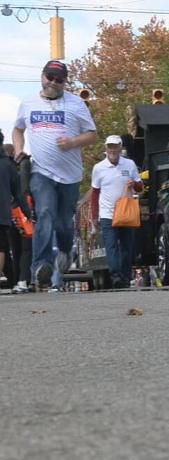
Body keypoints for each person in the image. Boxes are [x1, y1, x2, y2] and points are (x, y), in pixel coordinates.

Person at [12, 60, 97, 289]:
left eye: (59, 80)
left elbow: (92, 135)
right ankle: (41, 267)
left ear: (64, 82)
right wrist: (19, 150)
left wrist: (72, 142)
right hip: (41, 172)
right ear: (42, 76)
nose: (53, 82)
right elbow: (18, 128)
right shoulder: (28, 103)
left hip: (70, 175)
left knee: (63, 225)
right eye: (50, 77)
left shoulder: (76, 104)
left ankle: (66, 251)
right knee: (45, 213)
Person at [90, 135, 144, 288]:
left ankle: (125, 277)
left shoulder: (130, 164)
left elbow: (140, 187)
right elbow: (95, 193)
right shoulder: (99, 168)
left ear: (121, 148)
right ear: (106, 149)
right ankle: (115, 276)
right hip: (108, 215)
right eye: (110, 147)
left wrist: (134, 183)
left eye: (115, 147)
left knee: (127, 248)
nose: (112, 150)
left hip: (127, 213)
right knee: (111, 247)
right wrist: (95, 216)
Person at [0, 131, 31, 284]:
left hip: (7, 213)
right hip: (8, 214)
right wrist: (29, 213)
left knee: (8, 247)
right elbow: (20, 193)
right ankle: (15, 279)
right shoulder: (10, 166)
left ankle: (14, 279)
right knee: (6, 247)